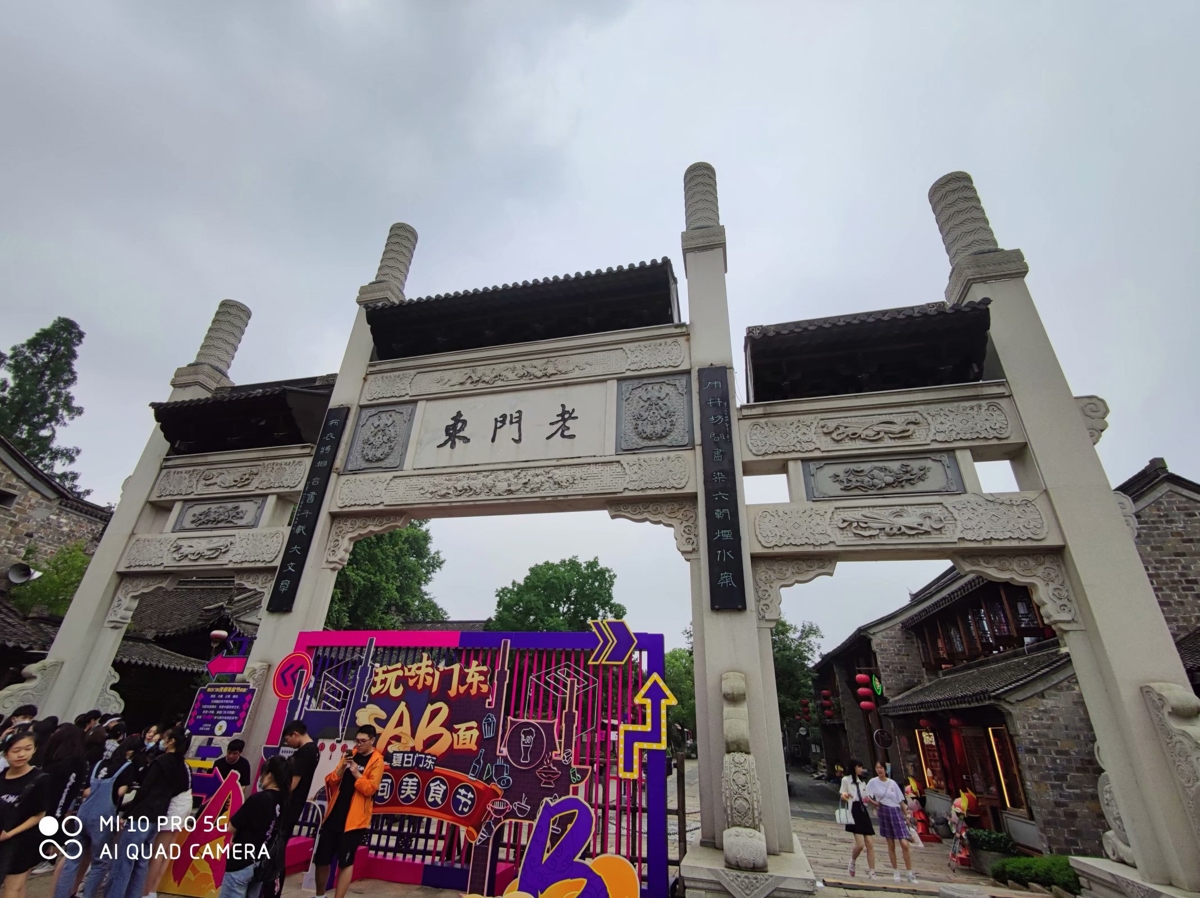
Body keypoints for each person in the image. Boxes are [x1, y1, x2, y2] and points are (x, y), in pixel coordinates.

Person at [53, 736, 144, 898]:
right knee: (100, 863)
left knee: (71, 860)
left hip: (83, 813)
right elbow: (120, 792)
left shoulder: (99, 764)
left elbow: (87, 791)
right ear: (131, 753)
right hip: (103, 818)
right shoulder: (127, 767)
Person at [104, 727, 190, 898]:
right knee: (141, 863)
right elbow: (180, 788)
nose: (162, 741)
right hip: (158, 815)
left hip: (143, 813)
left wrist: (128, 813)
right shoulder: (181, 765)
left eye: (165, 737)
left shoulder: (161, 761)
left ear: (171, 741)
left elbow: (144, 790)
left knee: (124, 862)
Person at [313, 727, 383, 898]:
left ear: (372, 740)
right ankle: (319, 895)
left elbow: (370, 789)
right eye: (356, 740)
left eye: (362, 741)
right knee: (321, 859)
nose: (358, 744)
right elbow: (331, 781)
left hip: (354, 820)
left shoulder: (377, 761)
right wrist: (342, 768)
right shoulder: (349, 754)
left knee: (345, 862)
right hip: (334, 814)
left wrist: (357, 774)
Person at [219, 756, 290, 898]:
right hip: (262, 864)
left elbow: (231, 827)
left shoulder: (258, 799)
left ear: (269, 775)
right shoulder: (285, 801)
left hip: (241, 862)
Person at [0, 730, 50, 898]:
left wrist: (10, 834)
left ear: (34, 749)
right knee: (17, 889)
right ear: (6, 753)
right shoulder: (1, 776)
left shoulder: (40, 779)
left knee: (12, 887)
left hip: (22, 841)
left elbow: (39, 814)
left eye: (27, 748)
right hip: (1, 837)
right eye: (16, 750)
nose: (22, 754)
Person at [38, 725, 90, 878]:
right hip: (56, 800)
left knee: (54, 822)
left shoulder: (72, 762)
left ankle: (48, 857)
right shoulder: (63, 759)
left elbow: (68, 787)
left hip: (60, 800)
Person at [865, 761, 916, 884]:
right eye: (877, 767)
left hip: (896, 812)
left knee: (904, 843)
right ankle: (896, 872)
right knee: (891, 844)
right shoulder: (873, 782)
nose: (879, 770)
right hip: (884, 812)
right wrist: (875, 804)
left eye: (881, 767)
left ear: (885, 769)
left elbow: (901, 801)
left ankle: (909, 873)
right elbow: (866, 796)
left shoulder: (892, 783)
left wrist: (907, 816)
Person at [838, 759, 876, 879]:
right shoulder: (846, 780)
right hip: (853, 810)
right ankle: (852, 861)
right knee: (860, 845)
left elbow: (866, 797)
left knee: (870, 843)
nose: (861, 769)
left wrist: (868, 800)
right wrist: (845, 796)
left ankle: (872, 871)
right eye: (859, 767)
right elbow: (842, 795)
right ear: (853, 767)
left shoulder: (862, 782)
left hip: (863, 810)